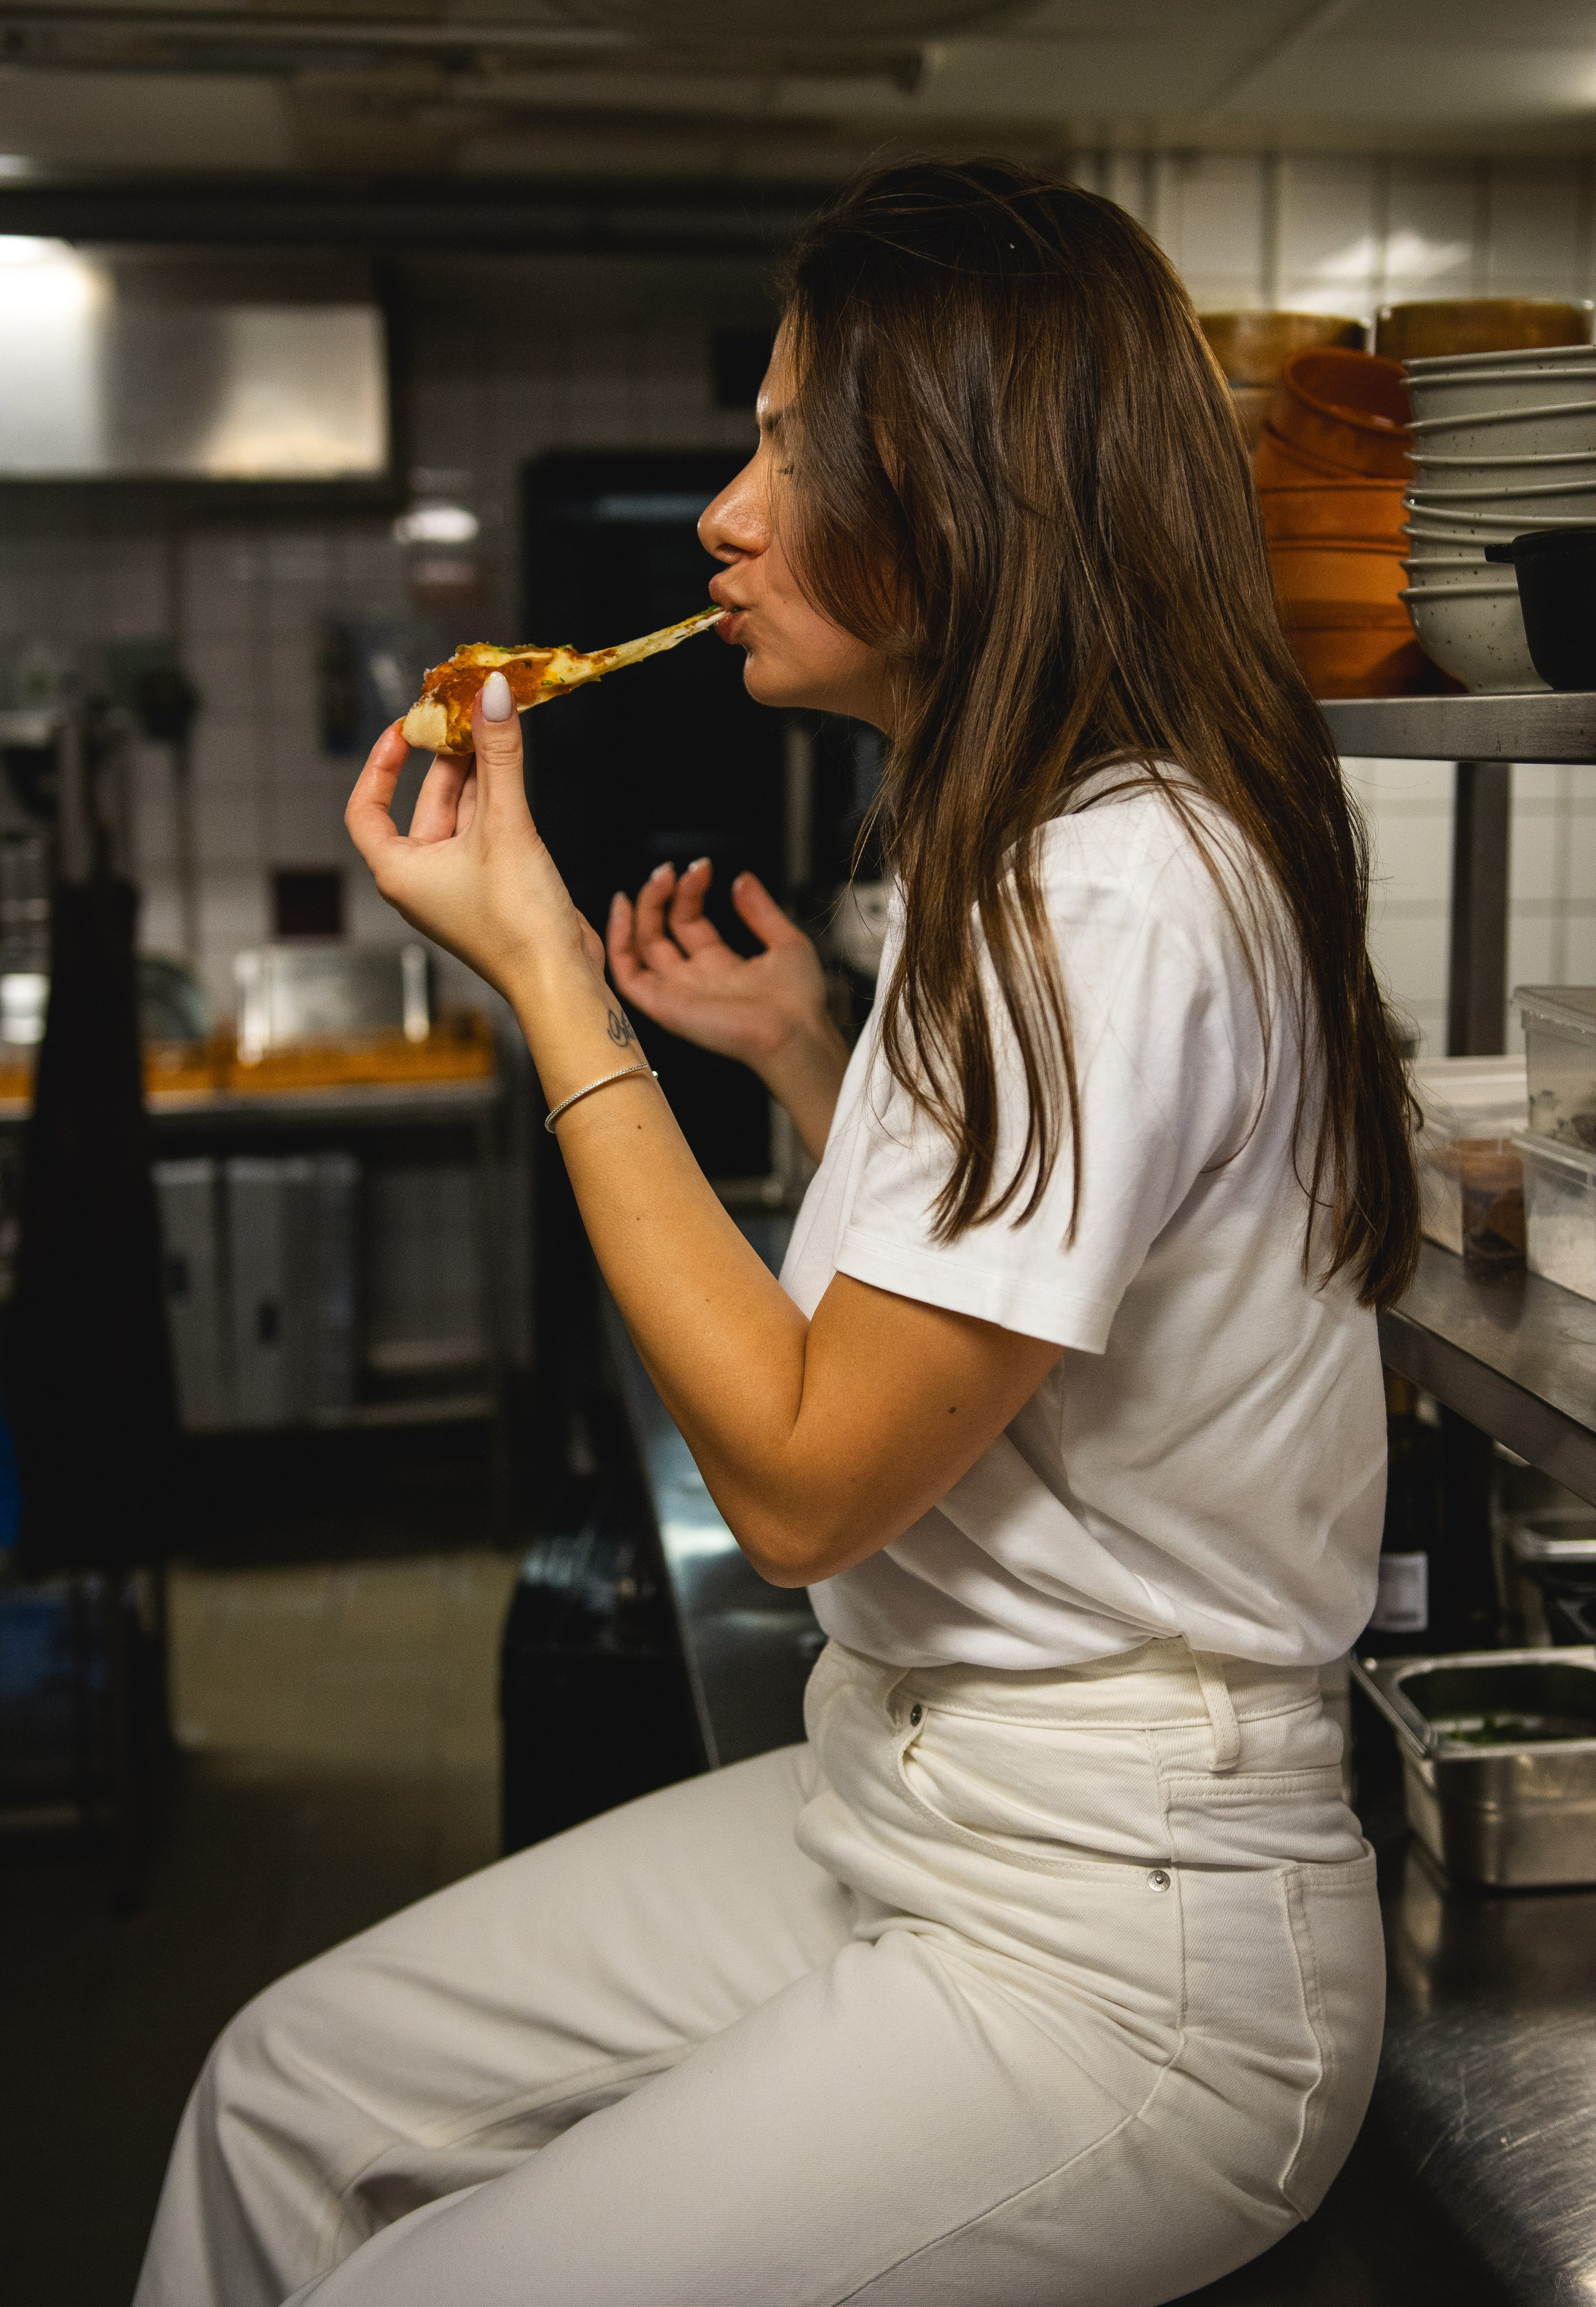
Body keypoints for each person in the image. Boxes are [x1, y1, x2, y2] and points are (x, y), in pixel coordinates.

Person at [134, 160, 1418, 2307]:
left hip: (1121, 1934)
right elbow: (1020, 1308)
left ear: (973, 495)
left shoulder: (1107, 883)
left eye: (790, 445)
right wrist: (807, 1056)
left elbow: (812, 1479)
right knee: (284, 2095)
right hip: (899, 1806)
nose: (730, 512)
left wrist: (549, 980)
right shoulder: (1016, 862)